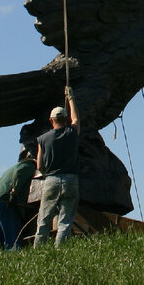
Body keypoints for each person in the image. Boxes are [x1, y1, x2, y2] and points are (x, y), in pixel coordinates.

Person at [34, 100, 80, 246]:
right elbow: (76, 119)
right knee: (65, 221)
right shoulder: (72, 133)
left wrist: (46, 173)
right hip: (70, 180)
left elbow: (39, 165)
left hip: (51, 180)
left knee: (44, 220)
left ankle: (38, 252)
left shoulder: (42, 139)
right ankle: (60, 251)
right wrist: (71, 98)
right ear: (66, 119)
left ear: (51, 120)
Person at [0, 148, 37, 250]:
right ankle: (15, 258)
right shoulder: (29, 165)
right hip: (4, 202)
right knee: (13, 238)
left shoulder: (13, 167)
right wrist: (14, 193)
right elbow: (19, 174)